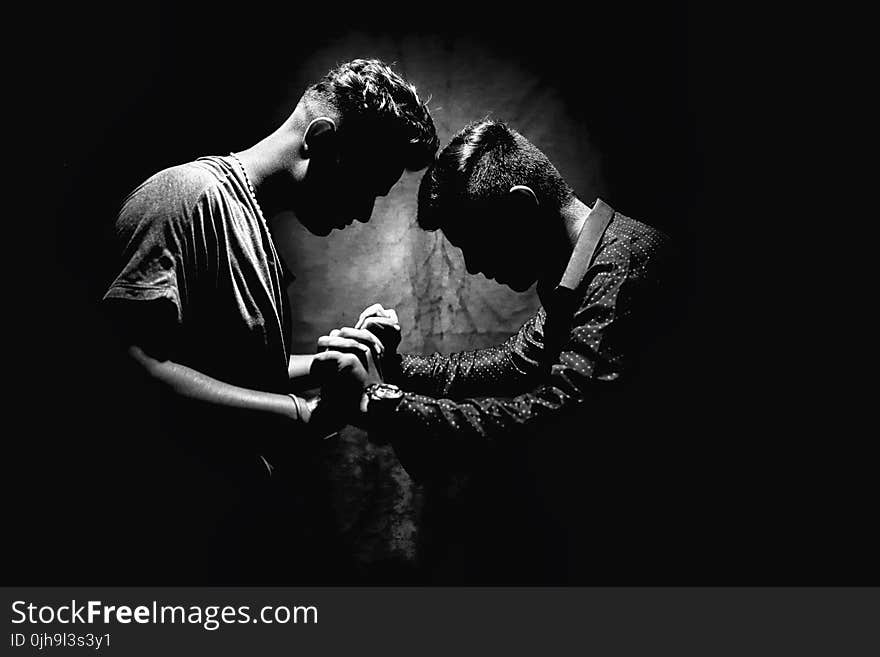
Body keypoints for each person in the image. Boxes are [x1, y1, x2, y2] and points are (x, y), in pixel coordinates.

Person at [101, 58, 438, 582]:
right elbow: (134, 365)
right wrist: (299, 415)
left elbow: (234, 367)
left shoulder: (252, 223)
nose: (367, 213)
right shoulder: (184, 197)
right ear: (322, 140)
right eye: (367, 184)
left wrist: (327, 367)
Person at [311, 119, 675, 582]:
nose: (474, 266)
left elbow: (554, 420)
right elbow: (511, 364)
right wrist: (392, 366)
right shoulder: (585, 270)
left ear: (521, 206)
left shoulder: (621, 274)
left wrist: (380, 402)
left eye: (475, 243)